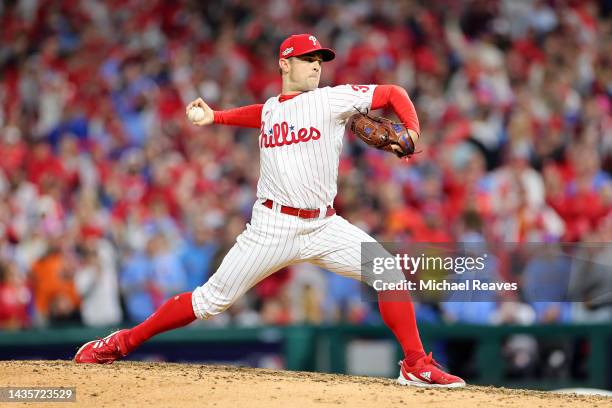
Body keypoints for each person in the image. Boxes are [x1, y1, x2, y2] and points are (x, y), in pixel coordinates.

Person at [74, 34, 465, 387]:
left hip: (324, 225)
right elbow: (260, 113)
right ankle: (120, 342)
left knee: (387, 270)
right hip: (272, 227)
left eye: (320, 59)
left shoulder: (332, 98)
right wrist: (216, 116)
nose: (316, 64)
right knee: (209, 302)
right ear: (284, 63)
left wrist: (411, 130)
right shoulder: (272, 109)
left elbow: (394, 92)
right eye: (308, 58)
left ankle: (415, 363)